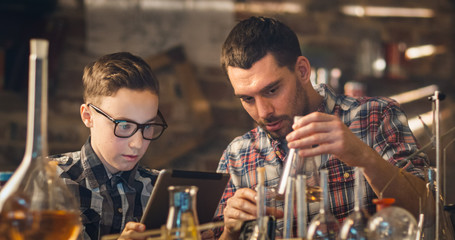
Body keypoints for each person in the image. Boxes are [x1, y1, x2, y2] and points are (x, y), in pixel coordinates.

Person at [214, 16, 433, 239]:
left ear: (302, 71)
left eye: (271, 90)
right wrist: (231, 232)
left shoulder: (375, 116)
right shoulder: (238, 155)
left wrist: (363, 157)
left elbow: (428, 212)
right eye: (247, 99)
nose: (263, 112)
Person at [51, 52, 168, 239]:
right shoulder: (49, 180)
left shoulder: (158, 189)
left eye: (148, 126)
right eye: (124, 126)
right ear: (88, 116)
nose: (138, 143)